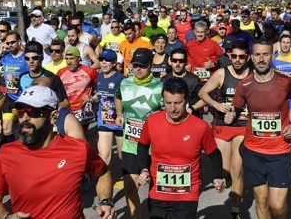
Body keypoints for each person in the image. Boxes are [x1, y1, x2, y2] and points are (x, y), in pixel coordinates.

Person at [0, 85, 116, 219]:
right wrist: (6, 217)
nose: (24, 118)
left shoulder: (78, 149)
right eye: (20, 111)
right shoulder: (6, 154)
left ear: (53, 117)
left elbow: (103, 173)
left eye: (33, 111)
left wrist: (106, 201)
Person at [227, 39, 291, 219]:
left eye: (265, 54)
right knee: (261, 202)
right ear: (251, 58)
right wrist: (230, 116)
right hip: (254, 152)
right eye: (257, 54)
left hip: (279, 152)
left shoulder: (285, 83)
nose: (261, 59)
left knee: (278, 206)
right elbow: (236, 112)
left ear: (273, 56)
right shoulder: (245, 85)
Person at [138, 79, 225, 219]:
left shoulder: (201, 127)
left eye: (177, 103)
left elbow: (214, 154)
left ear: (187, 100)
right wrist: (144, 169)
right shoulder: (152, 121)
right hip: (158, 192)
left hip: (187, 196)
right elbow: (142, 146)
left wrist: (218, 177)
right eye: (168, 103)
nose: (172, 108)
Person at [198, 40, 252, 219]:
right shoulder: (222, 73)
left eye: (241, 57)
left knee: (237, 169)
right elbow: (202, 93)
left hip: (243, 126)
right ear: (229, 56)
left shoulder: (253, 75)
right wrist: (216, 104)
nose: (237, 60)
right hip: (222, 124)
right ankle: (227, 178)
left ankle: (235, 211)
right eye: (234, 56)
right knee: (224, 170)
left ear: (247, 57)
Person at [115, 48, 163, 219]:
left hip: (154, 148)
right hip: (130, 144)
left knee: (154, 190)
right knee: (129, 186)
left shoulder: (160, 87)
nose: (138, 69)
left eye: (142, 66)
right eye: (135, 65)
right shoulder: (125, 83)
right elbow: (118, 96)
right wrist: (119, 114)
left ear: (151, 65)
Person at [0, 31, 29, 145]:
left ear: (19, 42)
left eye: (12, 42)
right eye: (8, 43)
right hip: (10, 97)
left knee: (24, 126)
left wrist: (16, 80)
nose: (10, 45)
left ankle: (26, 150)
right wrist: (0, 51)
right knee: (6, 128)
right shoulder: (5, 57)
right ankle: (11, 150)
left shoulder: (26, 57)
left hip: (23, 98)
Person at [91, 50, 125, 165]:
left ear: (114, 63)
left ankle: (130, 181)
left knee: (123, 157)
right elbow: (100, 93)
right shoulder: (99, 77)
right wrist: (91, 99)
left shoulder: (122, 79)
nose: (104, 63)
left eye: (107, 60)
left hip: (120, 122)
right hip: (104, 122)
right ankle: (102, 182)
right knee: (103, 157)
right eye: (101, 60)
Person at [57, 46, 98, 133]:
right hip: (68, 110)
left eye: (72, 58)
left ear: (79, 58)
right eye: (67, 59)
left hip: (84, 111)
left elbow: (101, 86)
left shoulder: (90, 71)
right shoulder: (61, 72)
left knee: (80, 137)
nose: (69, 62)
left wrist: (93, 97)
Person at [19, 40, 69, 108]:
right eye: (27, 58)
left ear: (42, 58)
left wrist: (49, 108)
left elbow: (65, 103)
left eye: (35, 58)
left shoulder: (52, 78)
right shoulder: (22, 77)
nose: (31, 61)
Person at [162, 48, 205, 118]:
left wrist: (192, 108)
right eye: (174, 60)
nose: (177, 64)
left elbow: (205, 99)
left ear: (186, 62)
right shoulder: (164, 80)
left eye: (181, 61)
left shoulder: (194, 80)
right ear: (170, 61)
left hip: (191, 118)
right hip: (171, 119)